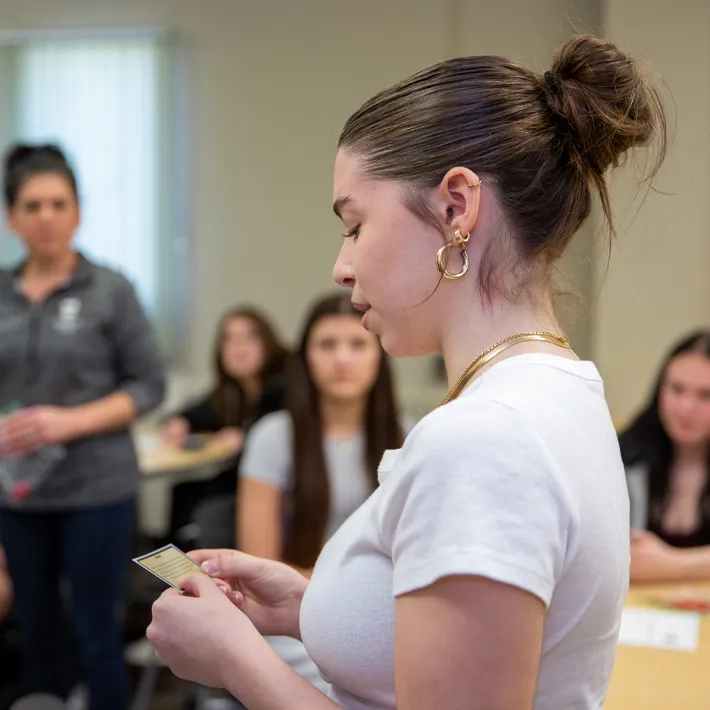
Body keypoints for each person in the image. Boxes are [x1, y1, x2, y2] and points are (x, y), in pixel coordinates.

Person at [147, 34, 667, 709]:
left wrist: (236, 659)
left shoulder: (486, 439)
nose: (342, 265)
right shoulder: (557, 391)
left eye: (355, 225)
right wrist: (311, 605)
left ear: (456, 207)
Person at [0, 144, 165, 710]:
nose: (46, 216)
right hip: (20, 495)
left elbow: (150, 385)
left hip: (98, 490)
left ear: (77, 212)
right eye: (32, 205)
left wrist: (69, 421)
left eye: (58, 203)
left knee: (97, 630)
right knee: (35, 630)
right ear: (11, 216)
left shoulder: (109, 290)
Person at [238, 292, 406, 691]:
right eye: (327, 345)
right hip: (296, 617)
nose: (342, 359)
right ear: (306, 358)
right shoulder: (273, 437)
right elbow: (259, 564)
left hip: (383, 616)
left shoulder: (410, 436)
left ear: (379, 355)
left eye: (357, 344)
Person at [161, 306, 290, 538]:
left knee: (208, 508)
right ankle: (178, 570)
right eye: (228, 339)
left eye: (250, 337)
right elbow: (195, 412)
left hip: (280, 484)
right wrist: (178, 421)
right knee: (183, 492)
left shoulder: (286, 385)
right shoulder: (233, 392)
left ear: (269, 342)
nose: (238, 348)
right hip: (241, 477)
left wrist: (247, 436)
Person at [621, 331, 710, 582]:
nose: (686, 408)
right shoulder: (623, 456)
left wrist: (671, 564)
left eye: (705, 395)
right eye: (677, 389)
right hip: (639, 612)